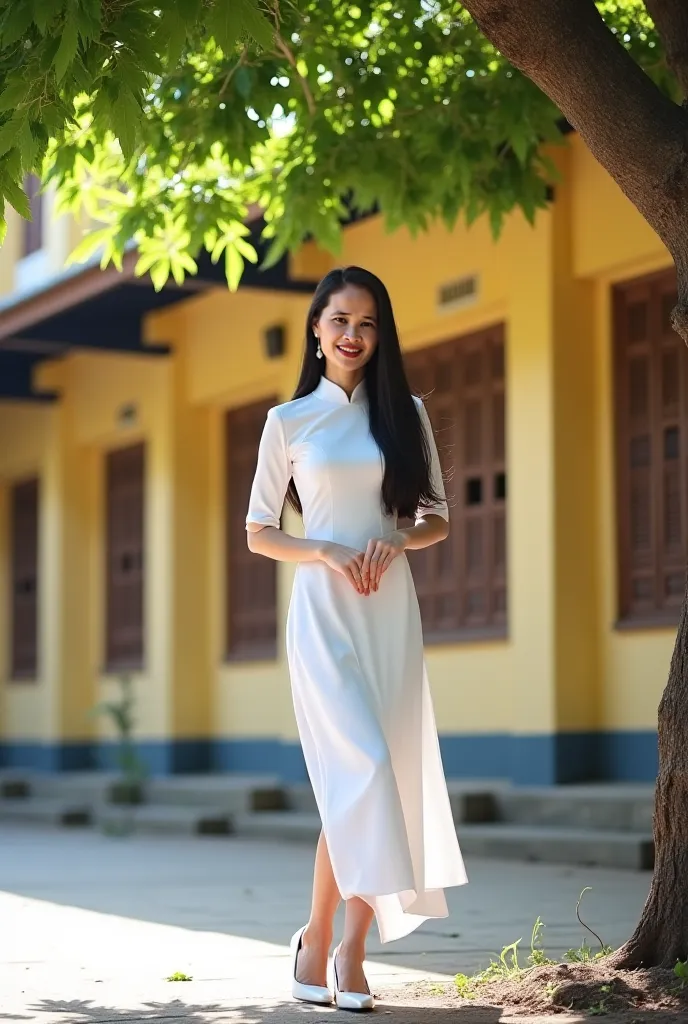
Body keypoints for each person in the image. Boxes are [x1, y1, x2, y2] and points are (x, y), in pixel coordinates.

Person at [245, 266, 467, 1011]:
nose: (352, 335)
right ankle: (317, 934)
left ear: (381, 334)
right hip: (322, 611)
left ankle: (345, 950)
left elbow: (436, 514)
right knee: (362, 770)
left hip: (388, 609)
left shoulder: (404, 413)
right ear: (316, 327)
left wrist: (397, 541)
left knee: (385, 774)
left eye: (367, 324)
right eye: (340, 320)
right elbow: (259, 532)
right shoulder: (288, 422)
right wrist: (328, 550)